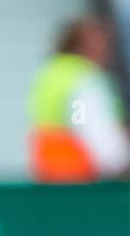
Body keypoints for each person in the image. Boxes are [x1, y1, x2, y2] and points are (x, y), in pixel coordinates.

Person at [28, 16, 129, 182]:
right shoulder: (84, 78)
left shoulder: (52, 72)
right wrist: (119, 162)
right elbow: (90, 126)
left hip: (49, 176)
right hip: (81, 177)